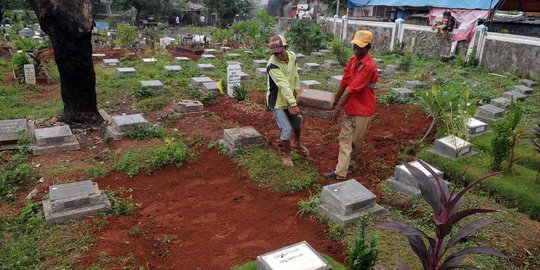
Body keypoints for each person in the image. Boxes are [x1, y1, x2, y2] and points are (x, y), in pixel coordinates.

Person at [324, 30, 378, 180]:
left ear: (368, 48)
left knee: (356, 142)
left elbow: (351, 89)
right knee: (345, 140)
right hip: (350, 108)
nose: (356, 50)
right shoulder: (352, 61)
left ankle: (351, 163)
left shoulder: (369, 66)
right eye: (355, 46)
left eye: (360, 48)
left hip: (364, 110)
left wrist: (337, 109)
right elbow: (344, 82)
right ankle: (340, 172)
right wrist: (334, 101)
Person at [266, 35, 309, 167]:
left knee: (298, 122)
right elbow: (283, 84)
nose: (278, 55)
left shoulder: (293, 56)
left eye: (280, 51)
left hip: (290, 98)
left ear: (286, 47)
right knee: (286, 128)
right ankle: (287, 155)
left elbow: (295, 76)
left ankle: (296, 143)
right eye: (275, 53)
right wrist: (293, 104)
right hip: (277, 101)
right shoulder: (272, 64)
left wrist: (296, 97)